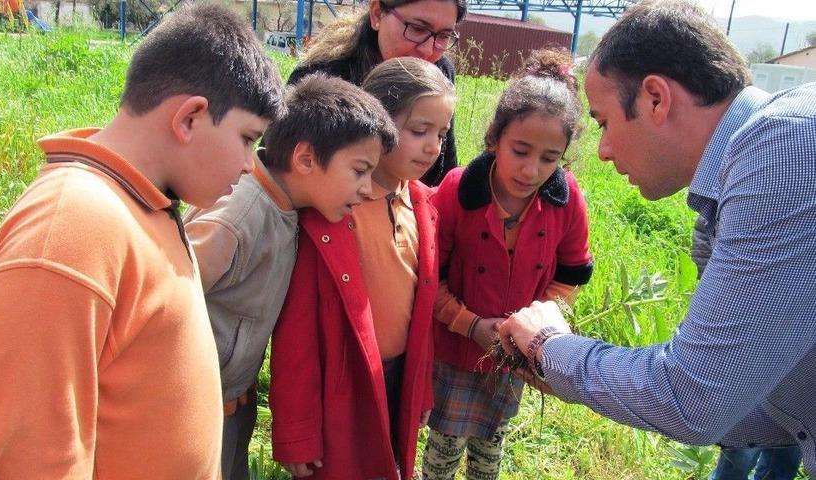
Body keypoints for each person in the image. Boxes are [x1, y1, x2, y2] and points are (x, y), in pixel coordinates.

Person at [0, 3, 286, 478]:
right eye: (247, 138)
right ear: (190, 118)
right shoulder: (72, 225)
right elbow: (25, 457)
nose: (248, 165)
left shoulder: (145, 203)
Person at [497, 0, 816, 476]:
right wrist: (572, 374)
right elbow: (745, 402)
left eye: (604, 123)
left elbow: (695, 399)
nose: (602, 151)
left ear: (655, 99)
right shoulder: (762, 155)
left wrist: (549, 346)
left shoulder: (783, 150)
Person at [183, 73, 397, 480]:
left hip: (233, 401)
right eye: (359, 171)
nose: (368, 189)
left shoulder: (289, 208)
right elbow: (158, 303)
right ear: (304, 159)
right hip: (191, 409)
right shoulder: (237, 220)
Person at [269, 56, 454, 480]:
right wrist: (297, 431)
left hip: (398, 377)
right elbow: (295, 331)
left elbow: (422, 318)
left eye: (441, 133)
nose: (433, 147)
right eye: (419, 131)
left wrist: (420, 385)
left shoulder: (425, 206)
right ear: (379, 124)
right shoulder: (329, 215)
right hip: (342, 386)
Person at [422, 49, 594, 480]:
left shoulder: (566, 199)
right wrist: (470, 324)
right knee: (444, 444)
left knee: (491, 440)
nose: (532, 169)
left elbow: (570, 275)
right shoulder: (457, 190)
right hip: (456, 346)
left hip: (515, 353)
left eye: (549, 157)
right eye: (520, 150)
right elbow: (428, 277)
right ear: (495, 137)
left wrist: (530, 330)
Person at [286, 0, 466, 186]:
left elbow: (443, 175)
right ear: (377, 14)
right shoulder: (322, 77)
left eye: (444, 36)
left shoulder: (438, 71)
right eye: (417, 29)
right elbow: (281, 169)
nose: (428, 50)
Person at [692, 217, 804, 479]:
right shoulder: (758, 182)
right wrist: (722, 295)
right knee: (741, 448)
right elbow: (706, 228)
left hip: (804, 354)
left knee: (789, 447)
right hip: (751, 338)